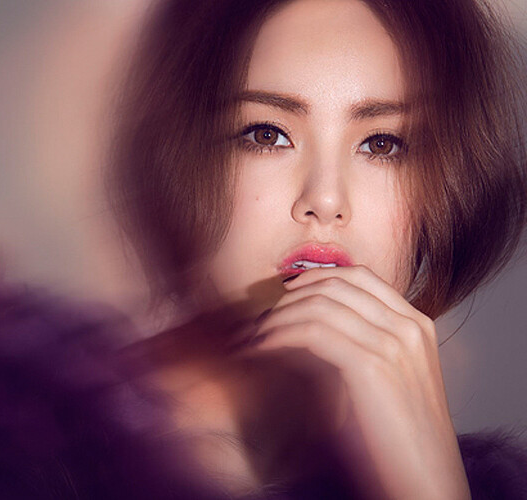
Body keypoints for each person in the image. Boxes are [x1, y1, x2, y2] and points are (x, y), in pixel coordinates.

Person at [109, 0, 527, 497]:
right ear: (179, 156)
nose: (326, 201)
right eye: (267, 135)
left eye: (382, 144)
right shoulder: (43, 455)